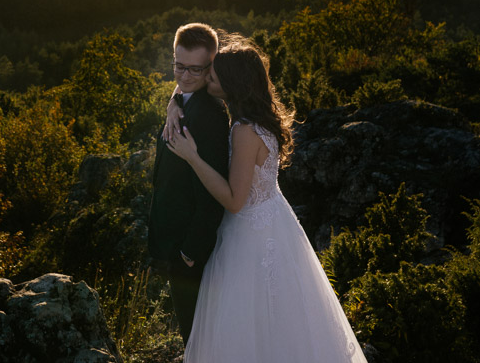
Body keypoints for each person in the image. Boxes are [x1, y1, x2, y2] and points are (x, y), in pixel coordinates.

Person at [167, 36, 368, 362]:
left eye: (213, 76)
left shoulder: (243, 130)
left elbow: (234, 201)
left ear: (232, 85)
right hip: (276, 222)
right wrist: (172, 105)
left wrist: (193, 157)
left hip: (250, 235)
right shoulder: (260, 117)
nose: (206, 79)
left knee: (251, 322)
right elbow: (184, 86)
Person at [147, 23, 230, 342]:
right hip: (175, 237)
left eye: (195, 69)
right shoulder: (185, 96)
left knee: (196, 335)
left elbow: (213, 189)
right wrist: (175, 100)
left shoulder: (209, 116)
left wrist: (189, 250)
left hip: (190, 248)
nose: (184, 76)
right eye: (178, 66)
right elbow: (182, 87)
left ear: (212, 66)